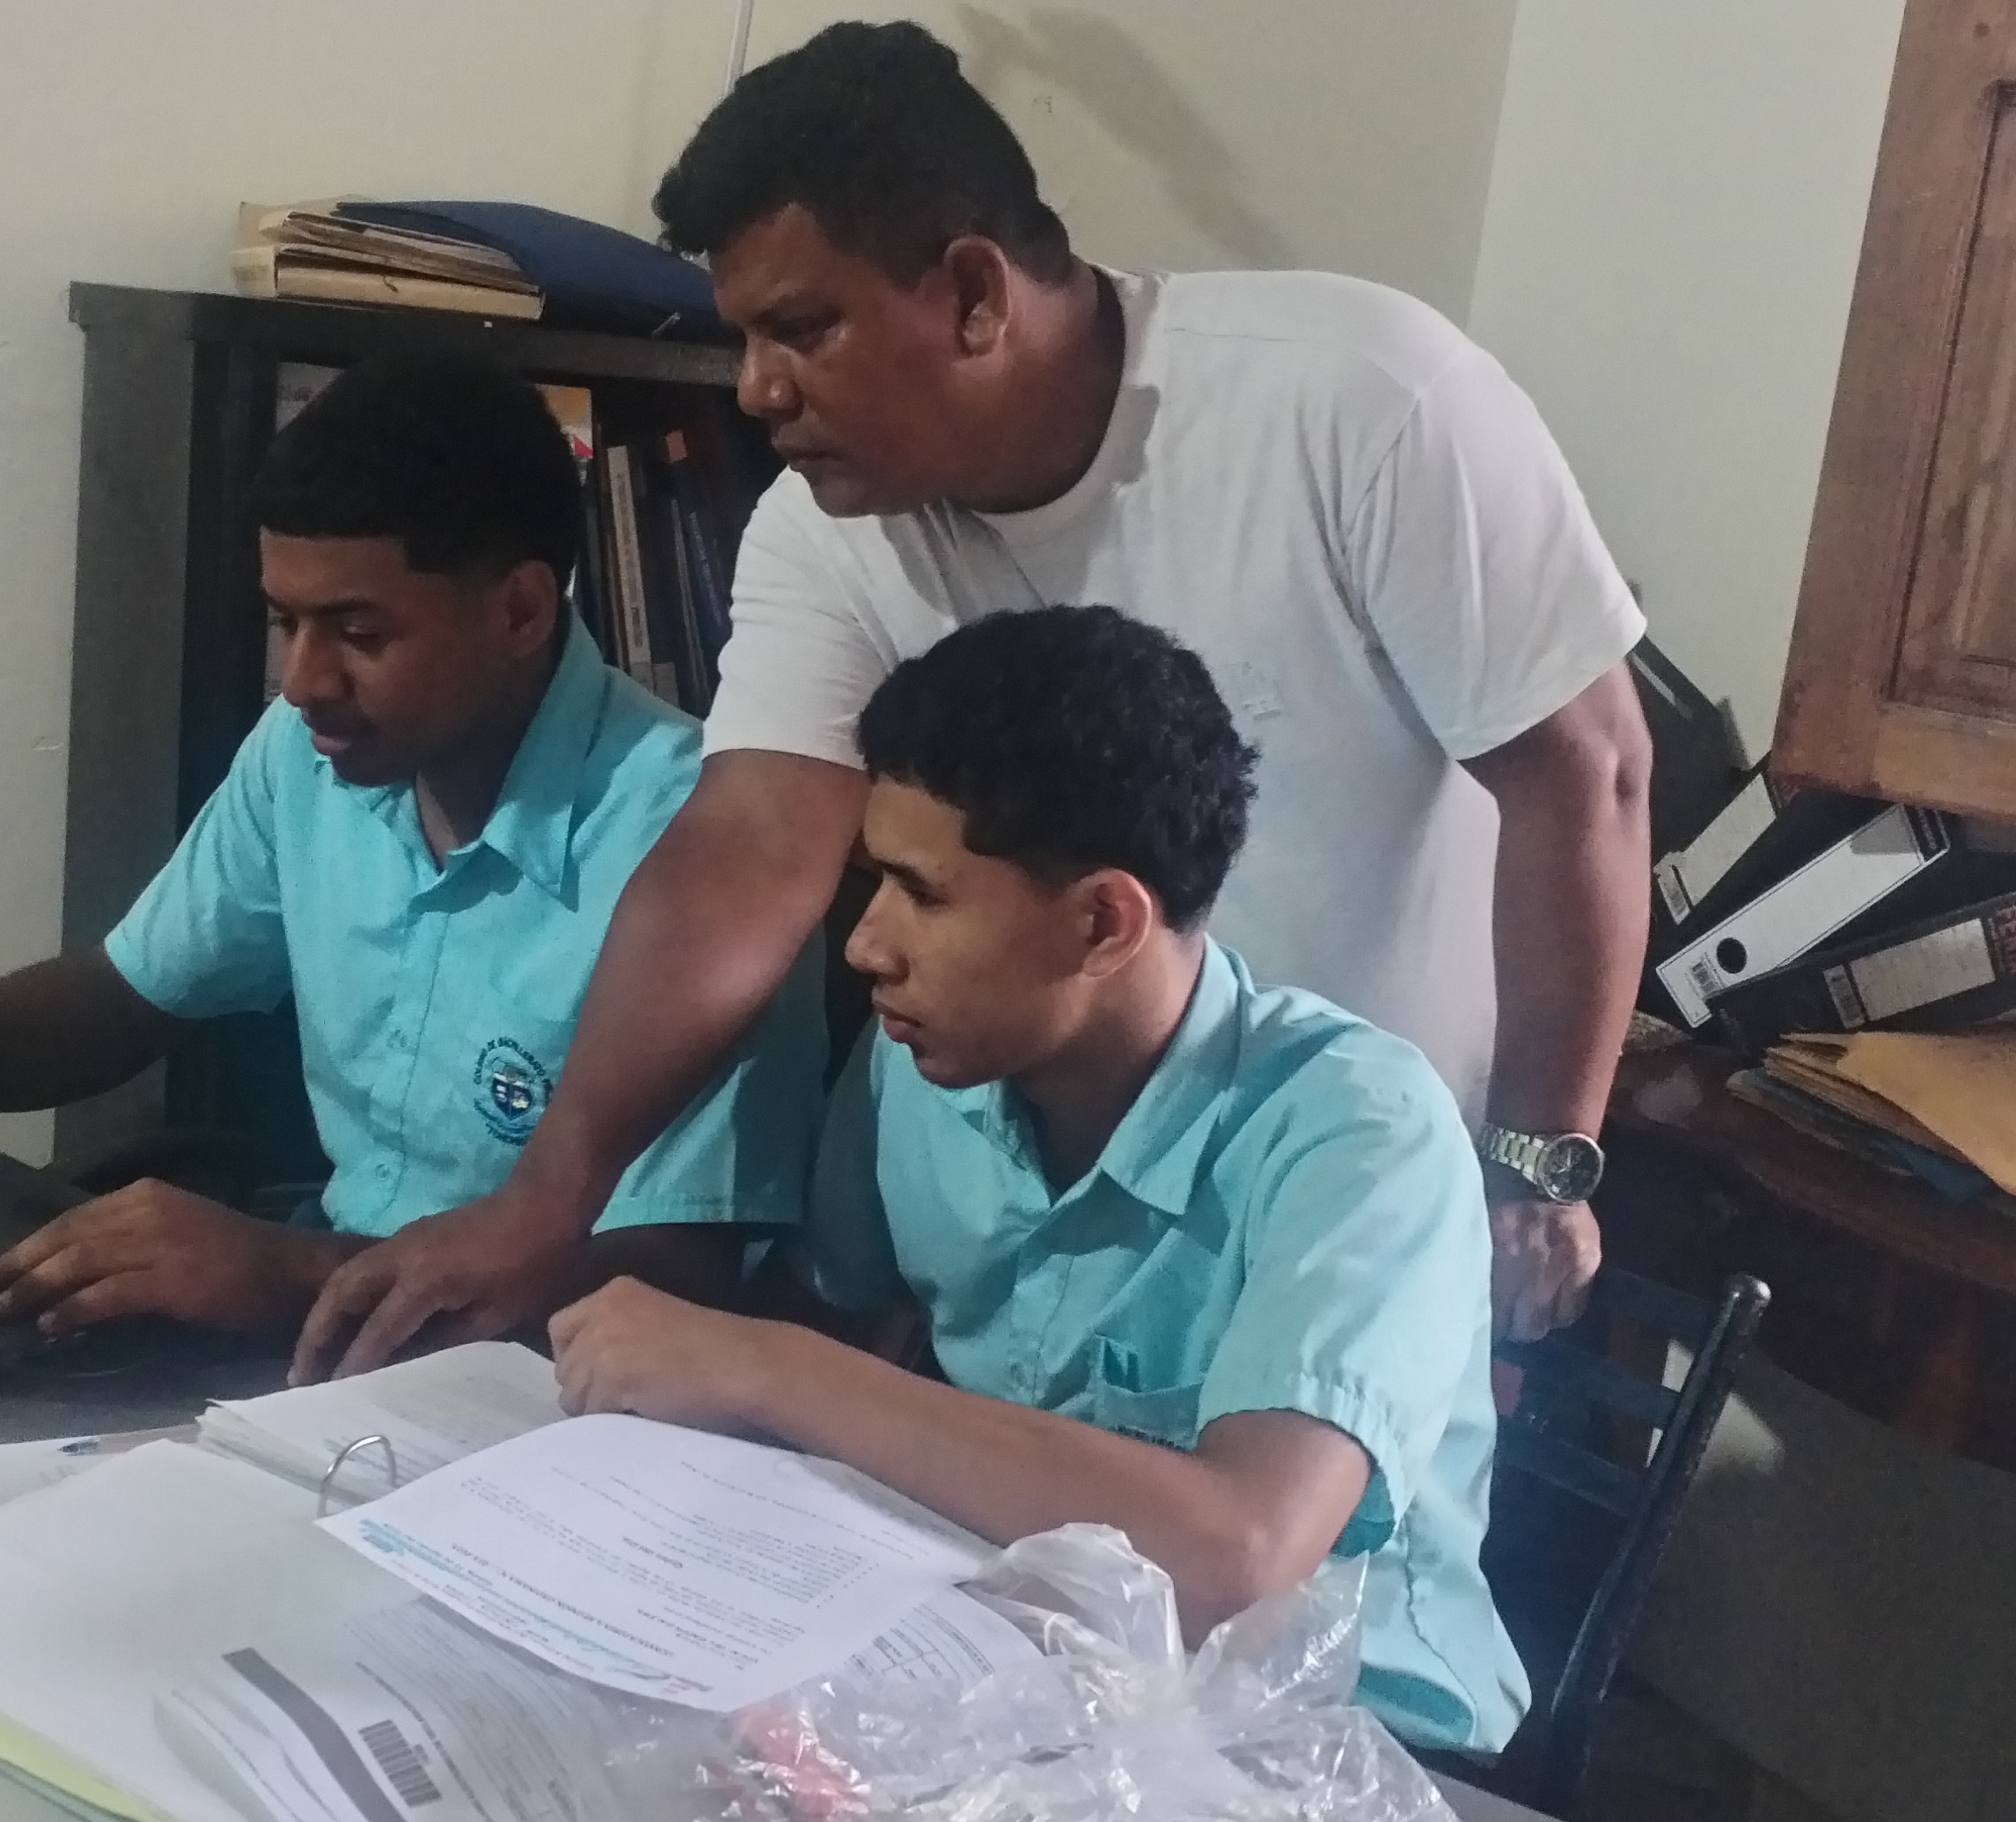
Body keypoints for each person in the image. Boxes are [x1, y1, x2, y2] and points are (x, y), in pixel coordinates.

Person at [301, 19, 1653, 1379]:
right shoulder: (825, 530)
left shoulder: (1362, 400)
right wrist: (551, 1196)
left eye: (803, 329)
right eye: (743, 336)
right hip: (1063, 1234)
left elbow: (1587, 776)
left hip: (1361, 1212)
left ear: (972, 293)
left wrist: (1532, 1168)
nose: (757, 388)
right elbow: (748, 849)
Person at [547, 606, 1528, 1752]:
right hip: (1034, 1672)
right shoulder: (926, 1061)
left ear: (1103, 921)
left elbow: (1237, 1556)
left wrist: (766, 1366)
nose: (865, 944)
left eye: (923, 893)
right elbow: (833, 1314)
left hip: (1339, 1738)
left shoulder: (1358, 1133)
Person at [0, 352, 819, 1343]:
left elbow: (681, 1273)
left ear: (520, 610)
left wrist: (283, 1273)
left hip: (543, 1393)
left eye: (360, 634)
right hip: (332, 1338)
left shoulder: (703, 843)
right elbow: (128, 991)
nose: (304, 680)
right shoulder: (311, 753)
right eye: (287, 621)